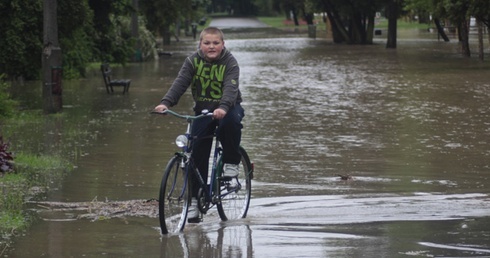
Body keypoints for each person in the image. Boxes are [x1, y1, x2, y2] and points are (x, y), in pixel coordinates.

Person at [153, 27, 244, 223]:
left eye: (216, 43)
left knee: (231, 123)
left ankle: (230, 162)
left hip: (228, 107)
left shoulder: (230, 62)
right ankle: (194, 201)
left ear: (223, 44)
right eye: (207, 43)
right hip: (203, 110)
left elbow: (230, 88)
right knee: (196, 153)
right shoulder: (192, 61)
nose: (211, 47)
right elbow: (180, 83)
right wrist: (165, 103)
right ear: (200, 45)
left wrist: (223, 107)